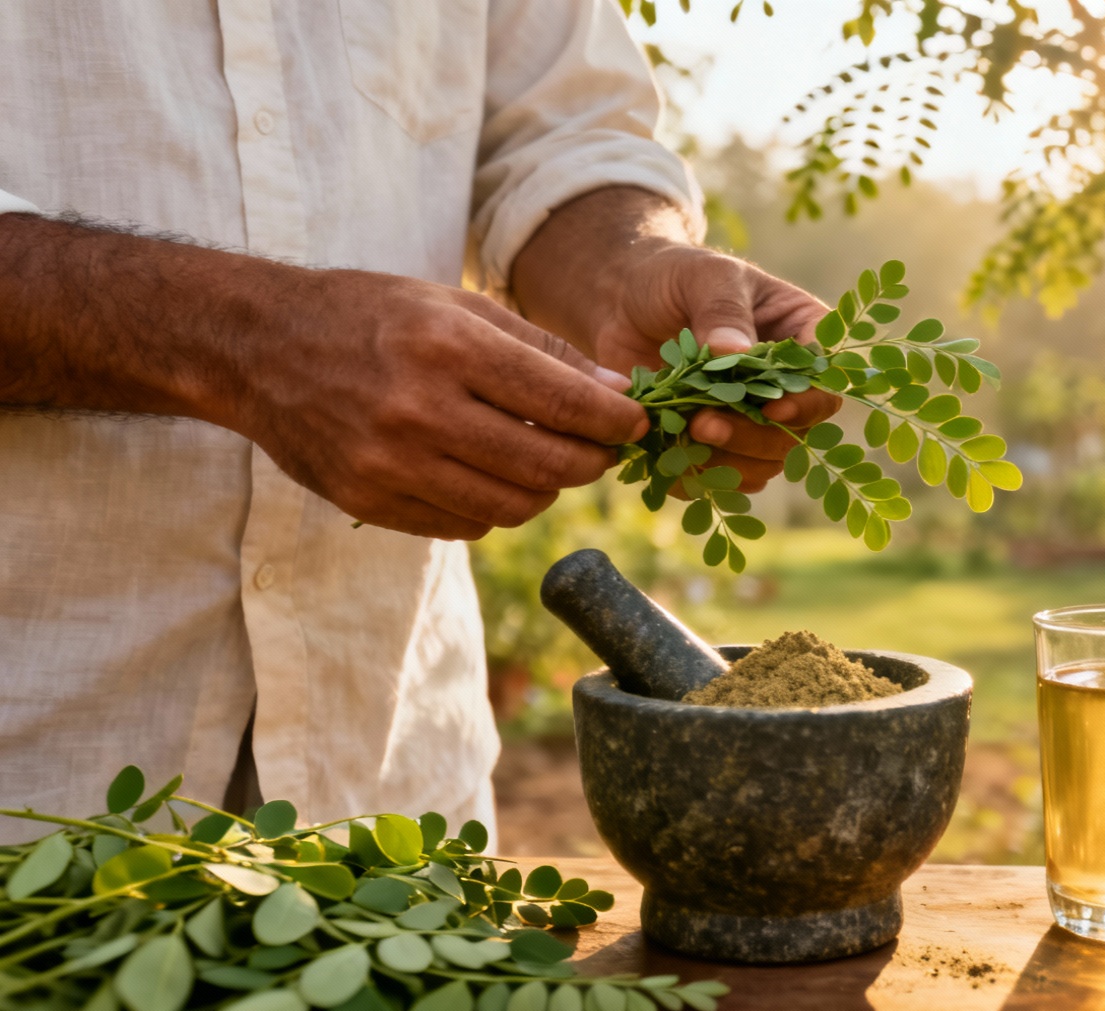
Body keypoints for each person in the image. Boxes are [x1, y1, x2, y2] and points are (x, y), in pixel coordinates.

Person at [0, 1, 837, 842]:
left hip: (396, 817)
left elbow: (558, 133)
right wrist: (244, 343)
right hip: (36, 803)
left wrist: (628, 265)